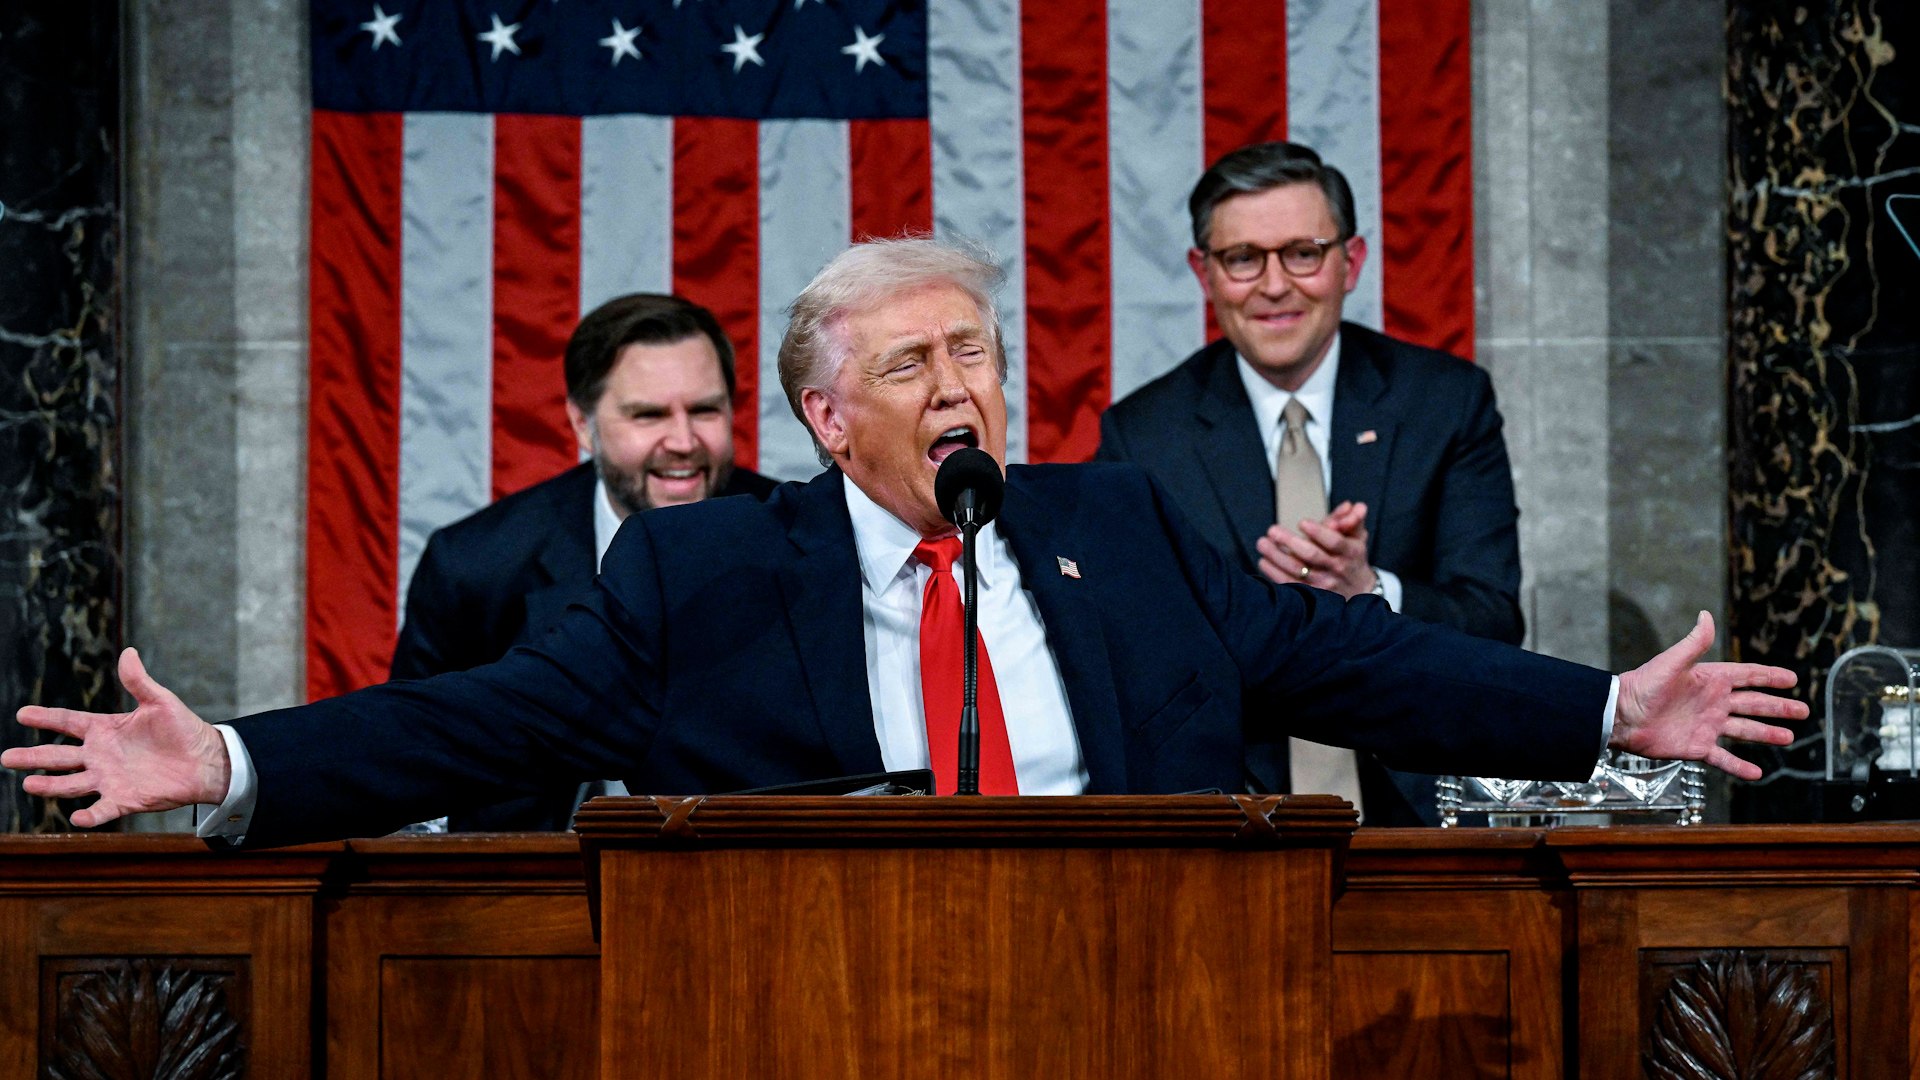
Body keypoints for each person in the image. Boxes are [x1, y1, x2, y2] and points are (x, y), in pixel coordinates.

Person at [4, 239, 1802, 850]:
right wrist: (228, 760)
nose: (960, 389)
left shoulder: (1118, 524)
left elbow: (1353, 663)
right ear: (824, 416)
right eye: (912, 365)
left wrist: (1600, 714)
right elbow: (478, 721)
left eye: (978, 355)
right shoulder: (706, 574)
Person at [1099, 141, 1519, 825]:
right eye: (1243, 258)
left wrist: (1369, 593)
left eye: (1302, 253)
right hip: (1230, 817)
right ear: (1204, 273)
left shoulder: (1445, 404)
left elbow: (1495, 621)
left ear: (1352, 261)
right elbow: (1128, 656)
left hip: (1421, 812)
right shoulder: (1143, 436)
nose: (1274, 286)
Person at [390, 293, 777, 830]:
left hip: (745, 863)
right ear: (582, 424)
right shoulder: (475, 566)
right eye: (648, 415)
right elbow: (412, 760)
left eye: (705, 410)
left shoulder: (799, 540)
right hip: (533, 868)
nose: (683, 441)